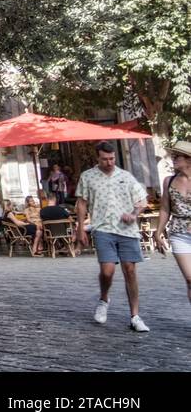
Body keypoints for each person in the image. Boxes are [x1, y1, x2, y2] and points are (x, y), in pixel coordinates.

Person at [75, 141, 151, 332]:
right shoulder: (88, 177)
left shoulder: (126, 176)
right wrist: (80, 228)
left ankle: (135, 315)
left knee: (130, 270)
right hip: (102, 228)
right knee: (107, 271)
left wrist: (134, 213)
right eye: (104, 159)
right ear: (97, 158)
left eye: (111, 159)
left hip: (127, 230)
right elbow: (82, 203)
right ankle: (104, 298)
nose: (109, 162)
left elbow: (142, 201)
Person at [154, 139, 191, 307]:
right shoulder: (168, 181)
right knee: (190, 279)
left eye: (177, 157)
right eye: (173, 156)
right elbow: (165, 208)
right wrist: (158, 232)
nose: (173, 159)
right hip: (179, 234)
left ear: (188, 159)